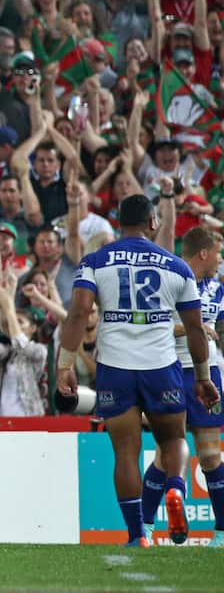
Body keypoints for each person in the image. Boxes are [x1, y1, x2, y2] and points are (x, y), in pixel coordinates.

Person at [57, 195, 219, 548]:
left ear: (118, 223)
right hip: (161, 366)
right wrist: (203, 377)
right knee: (174, 439)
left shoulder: (95, 261)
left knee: (126, 452)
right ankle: (176, 489)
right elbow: (195, 328)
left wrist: (65, 365)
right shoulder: (177, 266)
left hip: (115, 366)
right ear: (152, 223)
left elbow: (80, 312)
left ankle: (136, 535)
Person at [137, 226, 224, 547]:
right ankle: (144, 529)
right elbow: (153, 324)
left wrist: (206, 331)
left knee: (212, 455)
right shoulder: (168, 279)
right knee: (164, 453)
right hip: (171, 371)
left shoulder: (218, 289)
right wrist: (190, 328)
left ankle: (221, 533)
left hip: (208, 373)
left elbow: (217, 329)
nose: (220, 259)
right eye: (218, 253)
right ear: (203, 253)